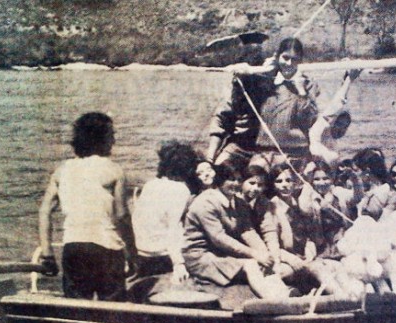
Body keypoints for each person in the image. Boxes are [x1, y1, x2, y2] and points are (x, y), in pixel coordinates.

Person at [206, 38, 360, 166]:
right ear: (277, 57)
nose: (289, 63)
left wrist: (301, 91)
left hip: (293, 152)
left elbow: (316, 120)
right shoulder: (263, 80)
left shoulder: (308, 85)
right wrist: (248, 74)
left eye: (295, 59)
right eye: (285, 58)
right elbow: (223, 116)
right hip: (259, 150)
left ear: (300, 61)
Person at [38, 112, 136, 301]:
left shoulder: (62, 171)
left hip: (73, 248)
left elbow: (44, 211)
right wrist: (132, 253)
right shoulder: (113, 170)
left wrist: (47, 253)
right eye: (111, 135)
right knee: (113, 309)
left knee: (77, 308)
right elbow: (122, 216)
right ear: (102, 139)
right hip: (107, 248)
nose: (114, 140)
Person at [182, 161, 292, 299]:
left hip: (222, 254)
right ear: (220, 180)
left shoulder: (239, 203)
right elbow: (219, 238)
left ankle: (285, 295)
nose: (236, 183)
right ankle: (275, 300)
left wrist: (266, 256)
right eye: (231, 179)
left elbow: (248, 231)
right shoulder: (205, 202)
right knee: (251, 264)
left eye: (239, 180)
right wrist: (255, 254)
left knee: (268, 264)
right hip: (201, 256)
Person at [132, 141, 202, 283]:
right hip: (161, 256)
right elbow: (174, 228)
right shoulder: (180, 190)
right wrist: (179, 263)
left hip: (141, 252)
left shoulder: (150, 185)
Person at [352, 148, 396, 221]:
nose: (355, 174)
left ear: (367, 171)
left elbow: (385, 221)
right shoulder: (363, 190)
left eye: (356, 171)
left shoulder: (390, 193)